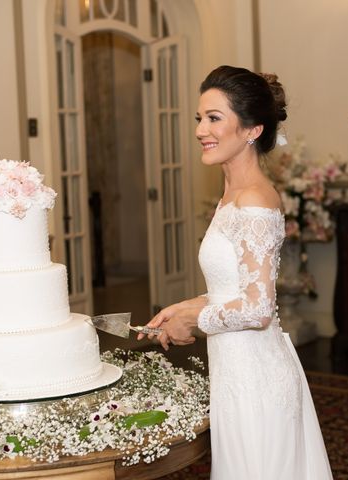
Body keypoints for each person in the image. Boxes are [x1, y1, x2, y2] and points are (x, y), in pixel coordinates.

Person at [138, 65, 333, 479]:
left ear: (251, 130)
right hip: (236, 373)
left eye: (214, 118)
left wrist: (195, 320)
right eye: (199, 118)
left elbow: (258, 308)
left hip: (256, 383)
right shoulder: (231, 195)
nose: (200, 130)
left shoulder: (255, 202)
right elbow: (236, 288)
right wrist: (183, 307)